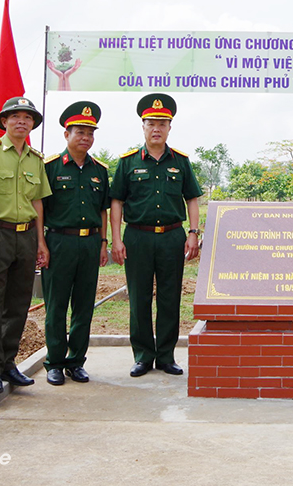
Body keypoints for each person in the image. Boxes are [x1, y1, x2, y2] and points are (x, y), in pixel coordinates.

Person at [110, 93, 202, 377]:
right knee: (138, 297)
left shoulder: (181, 161)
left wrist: (193, 233)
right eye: (151, 123)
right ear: (143, 126)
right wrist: (116, 238)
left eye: (163, 123)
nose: (157, 128)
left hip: (172, 237)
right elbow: (116, 202)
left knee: (169, 296)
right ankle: (142, 356)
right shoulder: (128, 162)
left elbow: (193, 199)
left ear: (170, 127)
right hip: (138, 236)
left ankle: (166, 356)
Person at [0, 97, 51, 395]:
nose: (22, 121)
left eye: (28, 118)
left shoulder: (35, 159)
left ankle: (8, 362)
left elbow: (37, 201)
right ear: (3, 121)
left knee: (18, 303)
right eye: (15, 116)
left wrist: (40, 241)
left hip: (26, 236)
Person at [41, 101, 109, 386]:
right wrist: (40, 245)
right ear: (66, 133)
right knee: (56, 304)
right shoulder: (51, 167)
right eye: (80, 131)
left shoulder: (99, 170)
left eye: (90, 133)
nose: (86, 137)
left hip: (90, 243)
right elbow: (39, 209)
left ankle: (76, 361)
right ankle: (55, 362)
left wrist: (104, 242)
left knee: (84, 305)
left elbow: (103, 209)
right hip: (59, 242)